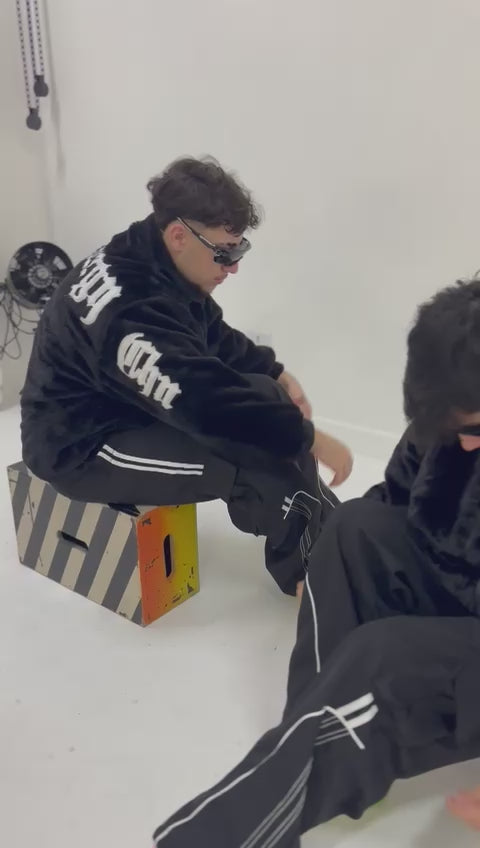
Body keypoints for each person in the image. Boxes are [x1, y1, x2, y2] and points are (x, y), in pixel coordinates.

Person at [151, 278, 480, 847]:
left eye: (473, 430)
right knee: (351, 527)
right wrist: (331, 567)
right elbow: (396, 502)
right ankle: (317, 741)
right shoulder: (454, 418)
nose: (464, 444)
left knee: (385, 659)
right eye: (452, 431)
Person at [20, 157, 352, 596]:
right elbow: (208, 406)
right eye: (225, 253)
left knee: (267, 396)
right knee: (251, 461)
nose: (233, 267)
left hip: (127, 401)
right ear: (179, 235)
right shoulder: (129, 314)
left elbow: (205, 330)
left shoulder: (148, 253)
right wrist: (312, 439)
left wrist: (274, 372)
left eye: (240, 250)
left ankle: (335, 535)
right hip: (80, 444)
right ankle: (312, 586)